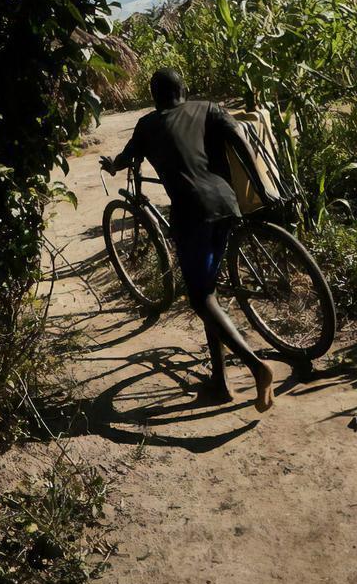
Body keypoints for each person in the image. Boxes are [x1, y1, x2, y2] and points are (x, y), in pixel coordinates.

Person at [101, 68, 275, 412]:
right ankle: (220, 383)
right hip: (227, 203)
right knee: (206, 291)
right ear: (185, 89)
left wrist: (111, 166)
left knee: (200, 299)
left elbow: (124, 159)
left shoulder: (148, 125)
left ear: (155, 96)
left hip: (192, 214)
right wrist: (260, 185)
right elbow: (240, 135)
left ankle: (258, 367)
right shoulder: (208, 107)